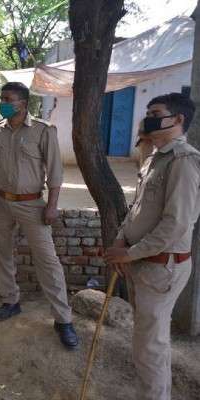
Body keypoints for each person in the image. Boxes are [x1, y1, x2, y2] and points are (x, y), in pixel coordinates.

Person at [104, 93, 199, 400]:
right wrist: (121, 239)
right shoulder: (156, 158)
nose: (148, 119)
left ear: (178, 119)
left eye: (156, 112)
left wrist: (129, 253)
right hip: (143, 262)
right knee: (147, 344)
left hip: (162, 266)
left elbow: (176, 225)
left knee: (150, 347)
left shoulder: (184, 162)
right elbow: (138, 209)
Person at [0, 82, 78, 349]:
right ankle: (11, 301)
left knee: (47, 260)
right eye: (2, 98)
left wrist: (52, 205)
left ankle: (63, 319)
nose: (3, 103)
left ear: (23, 103)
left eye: (8, 99)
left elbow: (55, 172)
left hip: (32, 204)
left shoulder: (43, 131)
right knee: (1, 253)